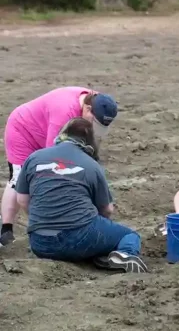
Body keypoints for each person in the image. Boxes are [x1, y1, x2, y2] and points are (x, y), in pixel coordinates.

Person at [15, 117, 147, 273]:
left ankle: (97, 251)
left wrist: (44, 219)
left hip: (39, 243)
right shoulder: (92, 165)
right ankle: (124, 254)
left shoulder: (34, 158)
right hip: (77, 238)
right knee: (130, 236)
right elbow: (107, 209)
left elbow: (22, 200)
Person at [3, 87, 118, 247]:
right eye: (94, 122)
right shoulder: (64, 112)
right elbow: (53, 157)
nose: (94, 128)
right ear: (88, 109)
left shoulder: (99, 102)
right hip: (23, 129)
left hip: (44, 127)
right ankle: (6, 229)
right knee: (18, 178)